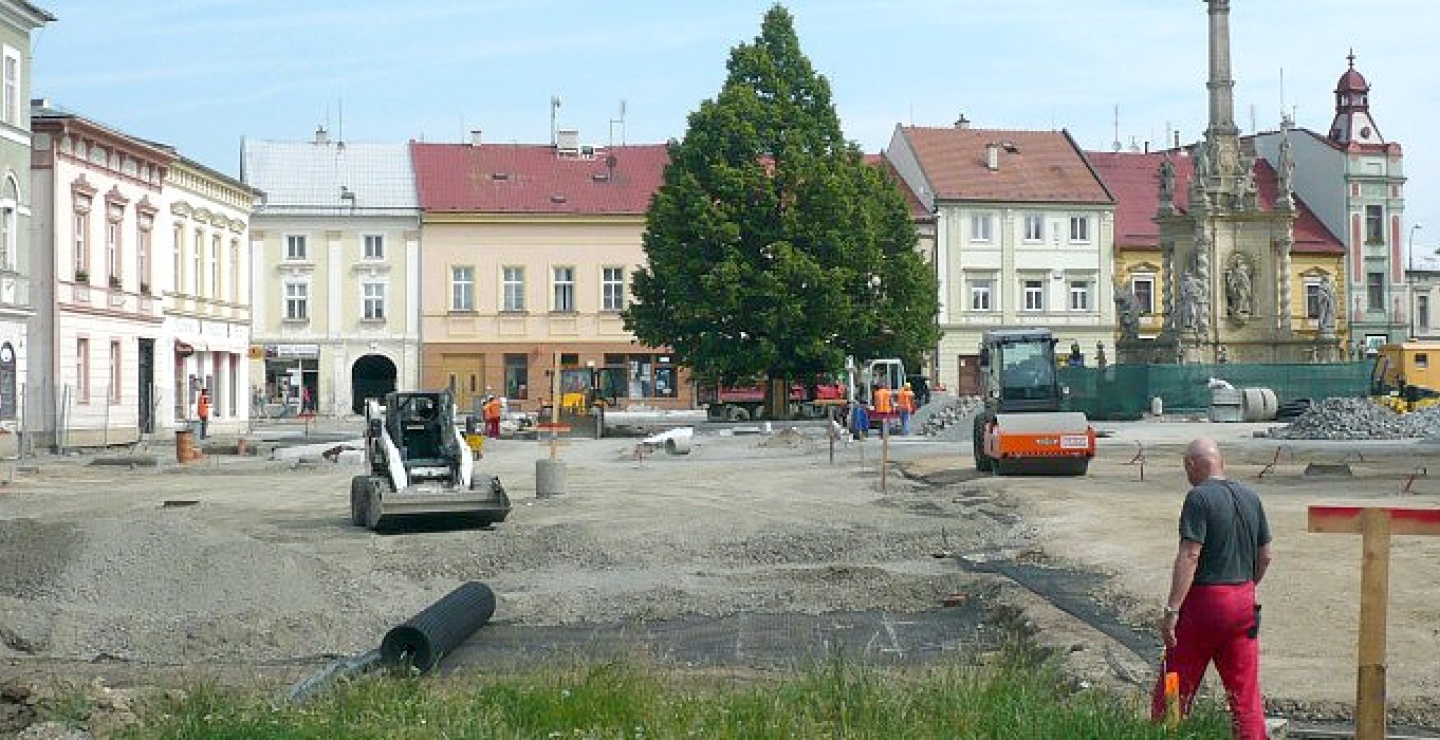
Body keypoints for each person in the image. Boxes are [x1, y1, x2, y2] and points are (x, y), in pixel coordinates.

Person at [1152, 438, 1272, 739]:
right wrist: (1247, 586)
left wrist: (1172, 611)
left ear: (1192, 464)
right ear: (1221, 462)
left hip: (1206, 603)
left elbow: (1190, 554)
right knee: (1245, 693)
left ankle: (1167, 732)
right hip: (1244, 601)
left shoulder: (1198, 498)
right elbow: (1266, 555)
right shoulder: (1250, 495)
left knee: (1176, 679)